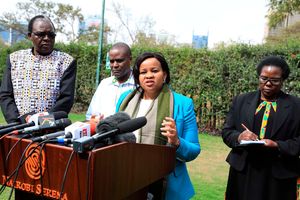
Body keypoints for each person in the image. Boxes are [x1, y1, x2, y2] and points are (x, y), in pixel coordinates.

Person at [116, 52, 200, 200]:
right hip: (126, 179)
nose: (149, 75)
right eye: (143, 72)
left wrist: (176, 141)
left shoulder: (183, 104)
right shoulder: (125, 99)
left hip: (164, 185)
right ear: (138, 77)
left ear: (165, 75)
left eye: (154, 71)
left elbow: (194, 149)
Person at [222, 56, 300, 200]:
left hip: (278, 174)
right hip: (244, 171)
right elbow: (227, 131)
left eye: (274, 80)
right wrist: (239, 137)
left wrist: (278, 145)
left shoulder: (296, 106)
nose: (268, 84)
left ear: (283, 80)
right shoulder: (241, 100)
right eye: (264, 78)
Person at [0, 15, 77, 123]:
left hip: (50, 129)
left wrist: (42, 121)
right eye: (41, 34)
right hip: (18, 127)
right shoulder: (14, 59)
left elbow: (66, 99)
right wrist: (16, 123)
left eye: (51, 35)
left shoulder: (66, 61)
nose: (46, 38)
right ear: (30, 36)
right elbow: (5, 95)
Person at [85, 42, 135, 120]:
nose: (115, 65)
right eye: (111, 61)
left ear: (130, 60)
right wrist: (95, 120)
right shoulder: (104, 84)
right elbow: (91, 116)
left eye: (119, 60)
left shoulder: (139, 84)